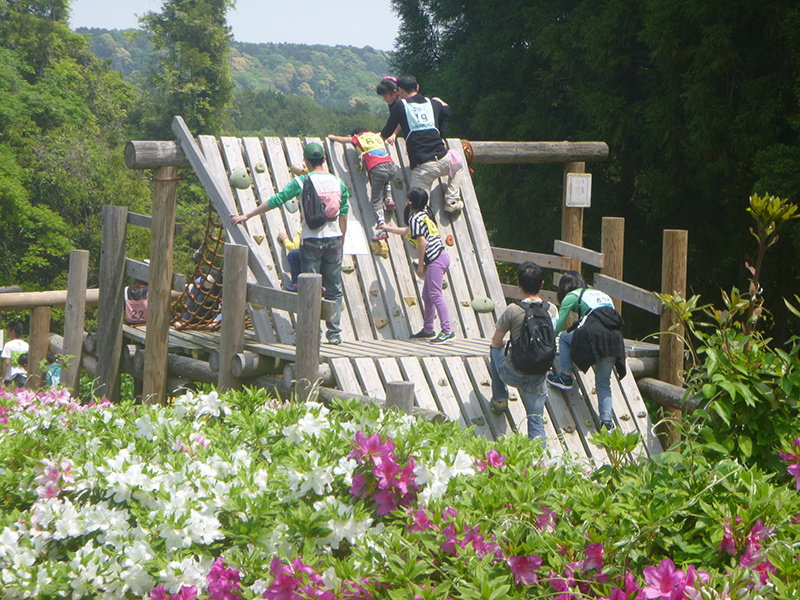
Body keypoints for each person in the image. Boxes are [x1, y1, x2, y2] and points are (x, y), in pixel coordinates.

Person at [231, 142, 350, 345]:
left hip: (311, 240)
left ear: (305, 161)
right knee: (334, 288)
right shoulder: (338, 183)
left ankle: (311, 334)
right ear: (324, 160)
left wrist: (248, 215)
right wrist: (341, 240)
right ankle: (335, 333)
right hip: (334, 240)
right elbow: (344, 214)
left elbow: (277, 200)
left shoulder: (301, 182)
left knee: (309, 287)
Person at [546, 271, 627, 431]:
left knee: (563, 337)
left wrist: (546, 341)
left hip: (595, 337)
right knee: (603, 383)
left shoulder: (571, 296)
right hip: (615, 340)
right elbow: (595, 320)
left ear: (564, 288)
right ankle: (607, 423)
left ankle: (565, 377)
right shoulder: (602, 295)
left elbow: (559, 326)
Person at [488, 262, 558, 446]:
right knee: (536, 424)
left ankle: (500, 399)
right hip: (538, 376)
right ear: (542, 284)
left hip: (513, 373)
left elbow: (496, 342)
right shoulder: (551, 310)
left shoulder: (513, 309)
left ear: (519, 284)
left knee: (494, 349)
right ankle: (540, 465)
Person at [380, 75, 464, 215]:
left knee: (417, 211)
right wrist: (439, 101)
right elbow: (448, 113)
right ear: (417, 87)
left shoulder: (400, 106)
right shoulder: (432, 103)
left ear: (399, 90)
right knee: (458, 165)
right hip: (443, 160)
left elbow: (387, 131)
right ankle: (452, 200)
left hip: (422, 167)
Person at [380, 188, 454, 344]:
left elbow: (422, 243)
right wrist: (387, 228)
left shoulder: (415, 218)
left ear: (409, 202)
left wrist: (420, 265)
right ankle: (428, 329)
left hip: (435, 259)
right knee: (427, 295)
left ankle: (447, 330)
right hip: (441, 256)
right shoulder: (424, 215)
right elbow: (406, 231)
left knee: (435, 295)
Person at [327, 127, 403, 241]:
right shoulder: (376, 135)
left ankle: (382, 227)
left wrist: (332, 137)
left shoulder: (358, 138)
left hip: (378, 168)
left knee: (376, 201)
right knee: (386, 178)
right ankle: (388, 198)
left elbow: (342, 140)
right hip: (391, 165)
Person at [2, 320, 29, 388]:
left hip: (11, 377)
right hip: (24, 376)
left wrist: (3, 377)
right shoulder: (26, 345)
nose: (7, 332)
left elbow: (6, 362)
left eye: (8, 330)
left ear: (13, 332)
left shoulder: (8, 345)